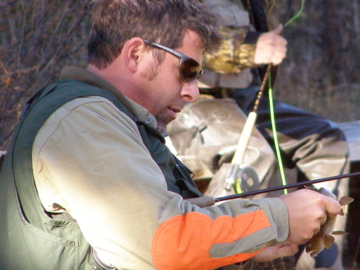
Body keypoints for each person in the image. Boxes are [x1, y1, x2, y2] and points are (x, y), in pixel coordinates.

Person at [0, 0, 343, 269]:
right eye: (188, 70)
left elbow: (163, 220)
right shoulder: (82, 119)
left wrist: (247, 246)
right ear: (136, 54)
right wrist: (280, 218)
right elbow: (163, 243)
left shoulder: (108, 117)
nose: (193, 92)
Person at [166, 0, 350, 269]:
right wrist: (248, 49)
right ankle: (208, 256)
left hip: (245, 96)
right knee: (253, 156)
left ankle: (320, 263)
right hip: (190, 100)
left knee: (327, 141)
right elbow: (170, 40)